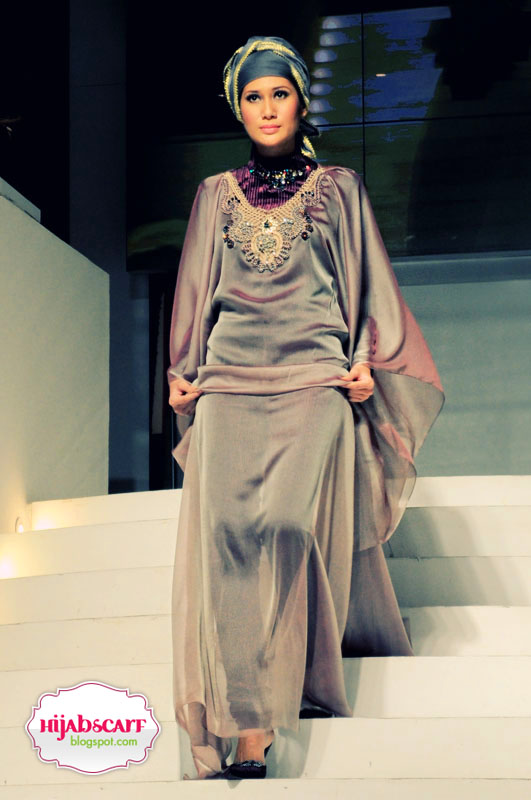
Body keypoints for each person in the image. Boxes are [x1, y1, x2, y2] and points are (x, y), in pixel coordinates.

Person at [167, 36, 444, 780]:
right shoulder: (213, 195)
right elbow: (194, 288)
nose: (266, 108)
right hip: (227, 380)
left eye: (279, 94)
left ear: (299, 100)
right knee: (228, 537)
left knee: (289, 526)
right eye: (252, 97)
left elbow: (368, 282)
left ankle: (293, 678)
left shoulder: (340, 188)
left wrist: (365, 358)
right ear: (238, 108)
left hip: (315, 377)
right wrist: (181, 371)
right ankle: (249, 725)